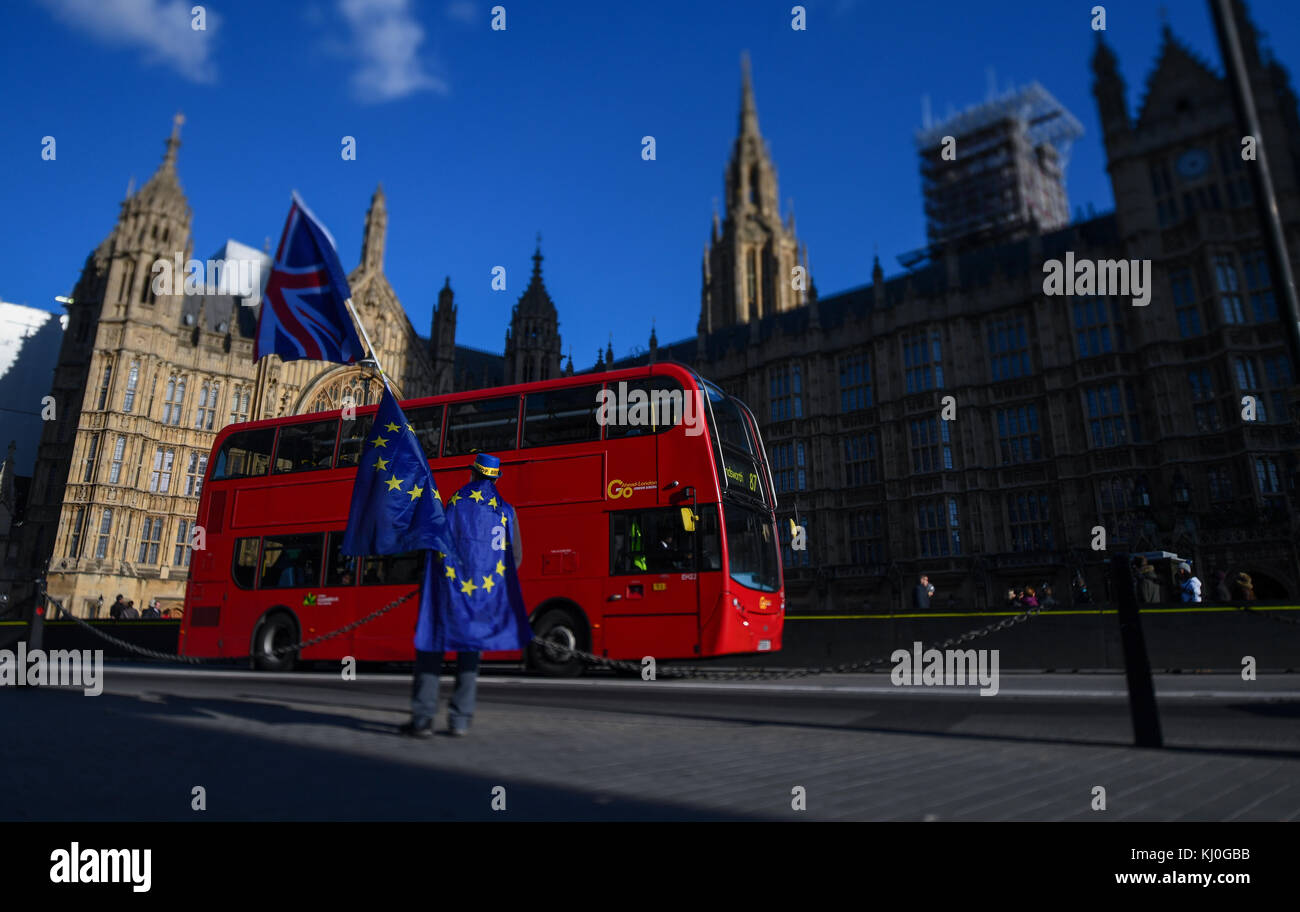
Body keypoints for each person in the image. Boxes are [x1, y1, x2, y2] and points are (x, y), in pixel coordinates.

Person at [401, 453, 528, 738]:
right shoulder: (506, 511)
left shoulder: (455, 502)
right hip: (483, 598)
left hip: (449, 593)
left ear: (472, 474)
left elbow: (439, 546)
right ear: (495, 478)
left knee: (431, 648)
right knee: (470, 654)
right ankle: (460, 720)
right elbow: (515, 557)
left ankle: (422, 719)